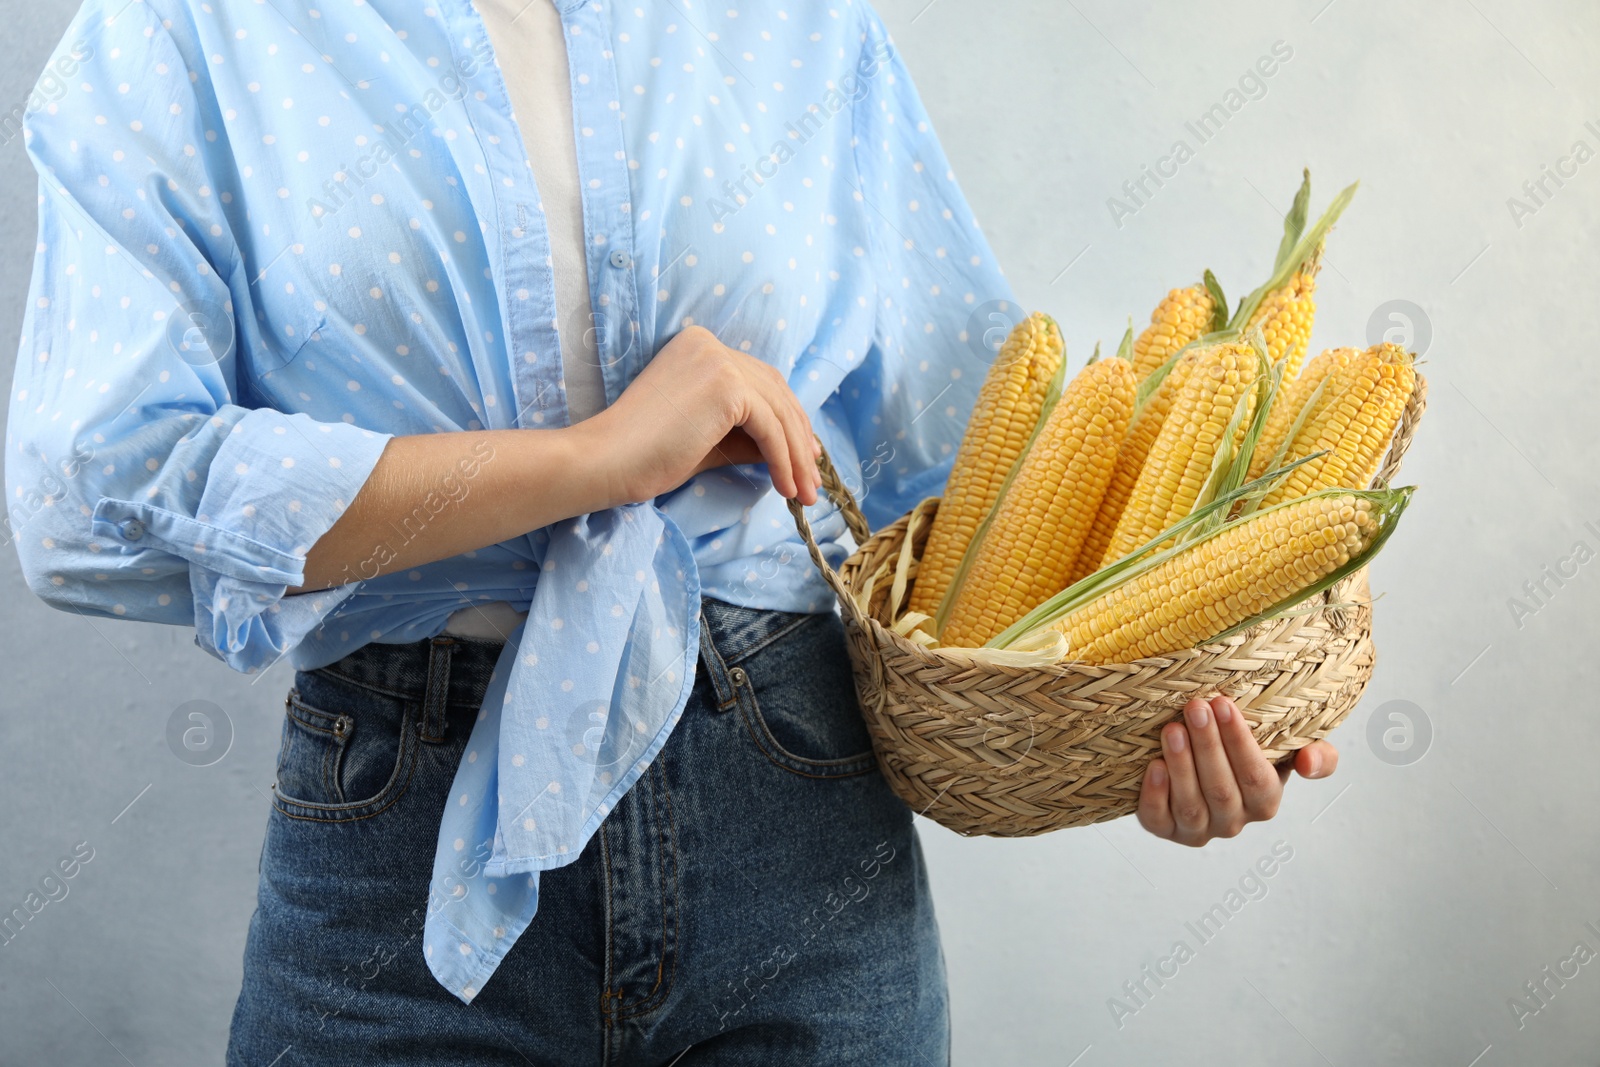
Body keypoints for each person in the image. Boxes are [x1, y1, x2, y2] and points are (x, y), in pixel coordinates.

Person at [6, 0, 1339, 1062]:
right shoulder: (185, 30)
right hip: (401, 860)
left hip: (800, 819)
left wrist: (1145, 716)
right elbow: (96, 486)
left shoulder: (794, 22)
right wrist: (591, 464)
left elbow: (960, 484)